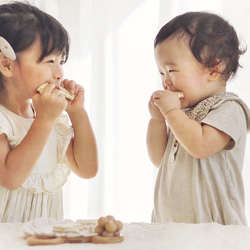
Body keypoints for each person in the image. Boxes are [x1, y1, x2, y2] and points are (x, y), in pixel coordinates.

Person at [147, 11, 250, 225]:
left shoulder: (229, 108)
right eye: (161, 73)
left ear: (213, 70)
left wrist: (172, 114)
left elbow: (200, 146)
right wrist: (157, 121)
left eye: (172, 70)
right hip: (172, 227)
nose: (165, 82)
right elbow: (160, 159)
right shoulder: (183, 114)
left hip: (214, 231)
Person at [0, 2, 98, 223]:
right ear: (6, 64)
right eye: (49, 61)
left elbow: (87, 169)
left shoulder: (53, 117)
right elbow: (11, 178)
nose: (59, 73)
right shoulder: (6, 120)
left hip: (44, 237)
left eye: (61, 61)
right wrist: (44, 119)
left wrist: (78, 113)